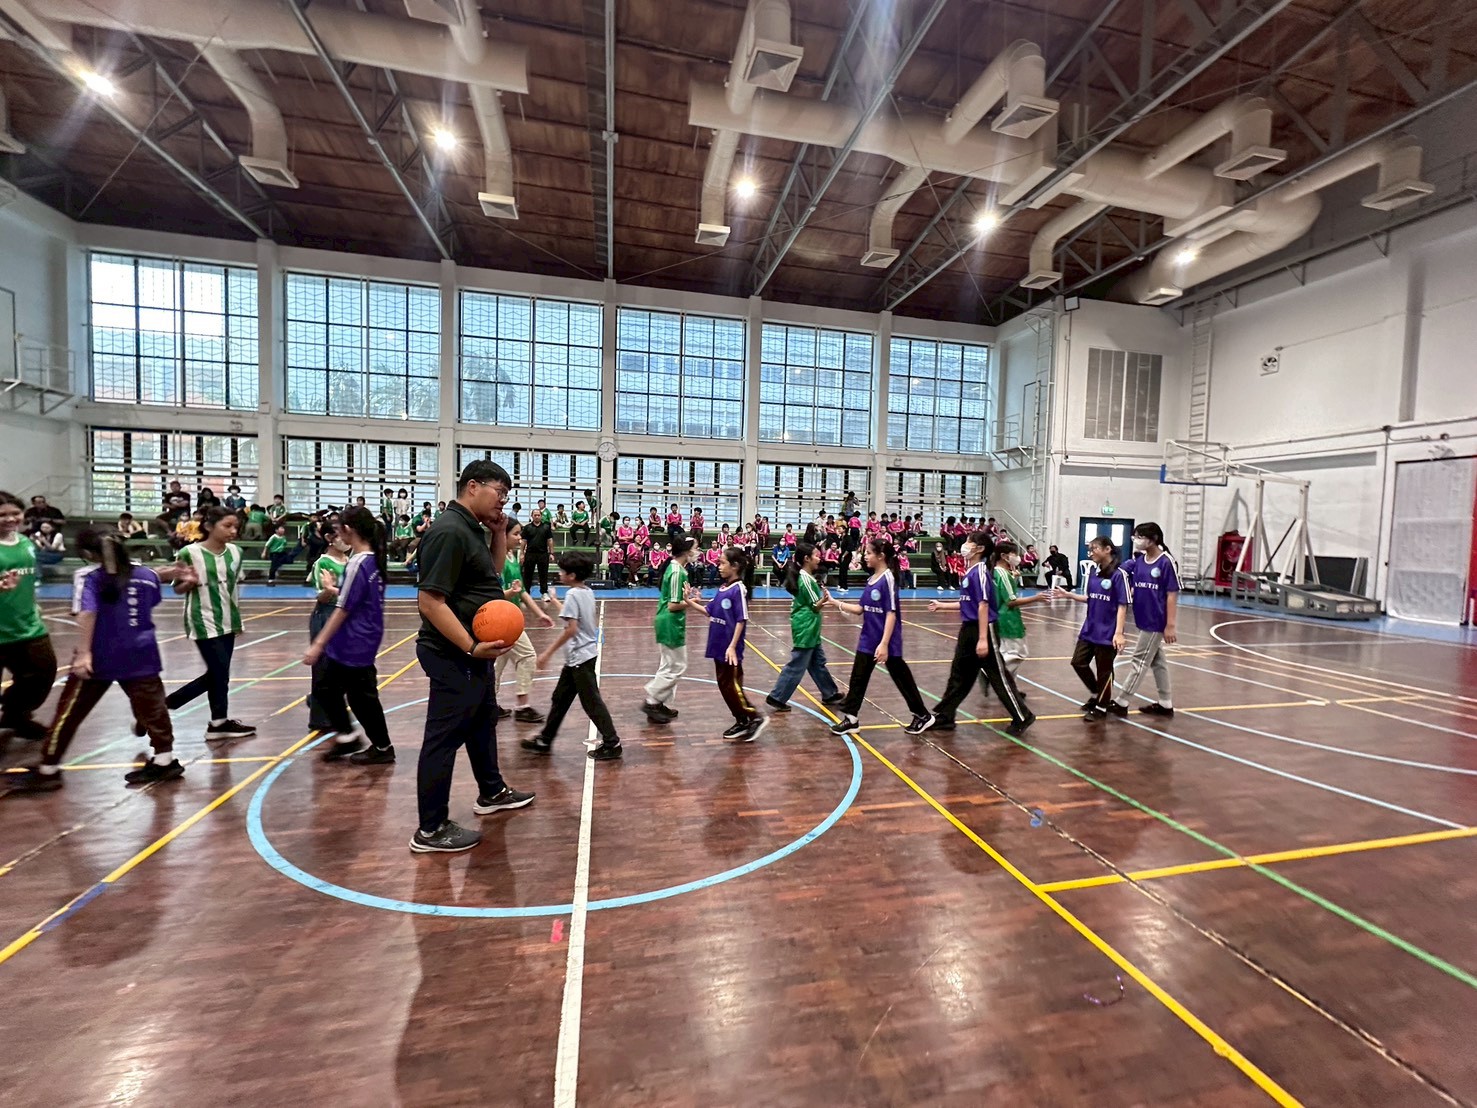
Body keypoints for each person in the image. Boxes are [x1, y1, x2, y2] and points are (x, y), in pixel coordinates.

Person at [5, 530, 196, 793]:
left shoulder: (89, 577)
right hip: (141, 652)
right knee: (153, 708)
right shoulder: (147, 576)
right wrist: (174, 573)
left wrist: (84, 653)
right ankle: (165, 760)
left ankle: (48, 769)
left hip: (100, 655)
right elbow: (150, 591)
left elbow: (87, 613)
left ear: (87, 554)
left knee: (69, 712)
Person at [410, 460, 533, 855]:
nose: (503, 502)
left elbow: (490, 574)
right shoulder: (449, 531)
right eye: (500, 493)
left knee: (482, 722)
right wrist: (468, 646)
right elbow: (430, 602)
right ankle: (431, 829)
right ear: (473, 486)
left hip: (474, 653)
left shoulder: (471, 529)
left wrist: (497, 534)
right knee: (443, 739)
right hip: (452, 653)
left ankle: (492, 791)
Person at [304, 507, 397, 765]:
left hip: (355, 639)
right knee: (340, 689)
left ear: (348, 530)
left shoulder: (357, 563)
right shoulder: (373, 560)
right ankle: (355, 738)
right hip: (365, 635)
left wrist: (318, 643)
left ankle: (375, 744)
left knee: (351, 694)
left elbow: (343, 608)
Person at [929, 532, 1035, 736]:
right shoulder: (969, 571)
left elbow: (983, 605)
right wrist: (942, 605)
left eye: (970, 542)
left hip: (983, 629)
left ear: (979, 549)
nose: (965, 545)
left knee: (998, 676)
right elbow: (968, 603)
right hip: (968, 629)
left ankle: (1023, 716)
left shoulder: (980, 573)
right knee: (959, 674)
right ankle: (945, 715)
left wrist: (983, 639)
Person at [826, 538, 933, 737]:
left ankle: (922, 715)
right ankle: (851, 719)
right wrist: (834, 602)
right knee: (858, 677)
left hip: (887, 641)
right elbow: (860, 609)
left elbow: (891, 614)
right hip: (868, 639)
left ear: (881, 556)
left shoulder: (888, 579)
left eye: (868, 553)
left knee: (901, 678)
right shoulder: (871, 579)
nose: (865, 556)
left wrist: (884, 644)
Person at [164, 507, 254, 739]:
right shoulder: (189, 553)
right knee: (218, 673)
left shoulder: (236, 552)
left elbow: (232, 587)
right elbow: (177, 588)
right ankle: (164, 706)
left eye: (236, 527)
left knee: (220, 674)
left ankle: (218, 723)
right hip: (202, 619)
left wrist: (237, 620)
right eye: (227, 526)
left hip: (228, 619)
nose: (233, 531)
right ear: (209, 526)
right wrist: (188, 583)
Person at [523, 552, 622, 760]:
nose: (559, 574)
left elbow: (571, 629)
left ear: (572, 575)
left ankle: (612, 743)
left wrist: (547, 653)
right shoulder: (585, 592)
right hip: (579, 658)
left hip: (580, 658)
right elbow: (573, 615)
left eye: (562, 571)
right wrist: (555, 601)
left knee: (592, 703)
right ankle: (545, 739)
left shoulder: (573, 595)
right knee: (559, 699)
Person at [0, 491, 57, 741]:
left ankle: (15, 714)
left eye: (15, 513)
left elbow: (28, 580)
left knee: (43, 673)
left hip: (27, 626)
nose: (10, 519)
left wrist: (33, 604)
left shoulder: (25, 543)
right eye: (2, 515)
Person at [1109, 523, 1179, 719]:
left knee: (1139, 661)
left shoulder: (1166, 562)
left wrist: (1170, 625)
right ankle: (1165, 704)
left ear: (1153, 539)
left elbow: (1172, 594)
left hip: (1156, 621)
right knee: (1158, 662)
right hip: (1142, 618)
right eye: (1135, 537)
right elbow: (1119, 571)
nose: (1136, 540)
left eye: (1140, 537)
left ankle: (1122, 702)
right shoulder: (1139, 561)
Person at [1057, 536, 1130, 721]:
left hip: (1108, 631)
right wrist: (1069, 595)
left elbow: (1123, 604)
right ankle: (1099, 693)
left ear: (1107, 549)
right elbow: (1091, 598)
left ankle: (1102, 706)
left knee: (1104, 670)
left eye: (1094, 548)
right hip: (1090, 628)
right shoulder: (1094, 573)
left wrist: (1119, 633)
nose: (1090, 553)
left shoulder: (1119, 575)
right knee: (1078, 662)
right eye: (1089, 549)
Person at [766, 542, 844, 712]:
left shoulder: (807, 577)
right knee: (797, 664)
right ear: (807, 559)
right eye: (816, 556)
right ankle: (777, 696)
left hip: (811, 627)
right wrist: (826, 599)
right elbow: (815, 606)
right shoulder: (806, 579)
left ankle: (829, 693)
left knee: (817, 662)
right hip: (806, 627)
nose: (819, 559)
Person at [495, 519, 556, 724]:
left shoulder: (512, 558)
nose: (519, 538)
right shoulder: (498, 560)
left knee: (497, 664)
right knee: (528, 656)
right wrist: (510, 592)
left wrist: (539, 614)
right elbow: (493, 595)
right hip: (501, 619)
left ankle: (488, 704)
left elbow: (521, 591)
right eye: (515, 534)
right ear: (502, 535)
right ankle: (522, 707)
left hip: (510, 618)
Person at [704, 547, 766, 742]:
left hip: (729, 649)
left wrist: (732, 646)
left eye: (722, 563)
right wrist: (689, 601)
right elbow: (708, 611)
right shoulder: (723, 588)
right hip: (717, 645)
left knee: (732, 686)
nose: (719, 566)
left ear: (735, 566)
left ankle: (754, 717)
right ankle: (742, 720)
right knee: (725, 686)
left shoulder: (738, 589)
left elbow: (741, 619)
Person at [642, 538, 702, 724]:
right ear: (686, 551)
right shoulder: (677, 572)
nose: (697, 552)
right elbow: (673, 605)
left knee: (668, 664)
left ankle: (658, 703)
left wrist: (688, 597)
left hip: (669, 621)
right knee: (677, 666)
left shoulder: (677, 568)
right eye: (695, 548)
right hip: (670, 622)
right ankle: (651, 700)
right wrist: (692, 602)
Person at [304, 525, 349, 733]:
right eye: (340, 535)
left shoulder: (349, 560)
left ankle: (320, 700)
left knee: (342, 669)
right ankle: (320, 719)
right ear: (330, 538)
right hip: (326, 615)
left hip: (345, 617)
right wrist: (329, 590)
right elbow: (321, 596)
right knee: (323, 668)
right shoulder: (323, 563)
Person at [992, 541, 1049, 678]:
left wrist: (1014, 578)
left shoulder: (998, 572)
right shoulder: (1002, 574)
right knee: (1017, 653)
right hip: (1008, 619)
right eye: (1014, 554)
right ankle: (994, 675)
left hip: (1002, 617)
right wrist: (1036, 598)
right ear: (1004, 556)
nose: (1017, 557)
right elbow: (1010, 601)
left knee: (1007, 652)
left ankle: (1009, 684)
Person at [520, 507, 556, 602]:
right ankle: (526, 593)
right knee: (527, 574)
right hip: (530, 554)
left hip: (543, 554)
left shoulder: (546, 527)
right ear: (532, 516)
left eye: (538, 515)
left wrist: (551, 553)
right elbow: (523, 541)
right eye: (535, 515)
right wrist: (522, 554)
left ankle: (544, 593)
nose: (537, 517)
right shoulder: (527, 527)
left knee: (543, 574)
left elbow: (550, 540)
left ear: (541, 516)